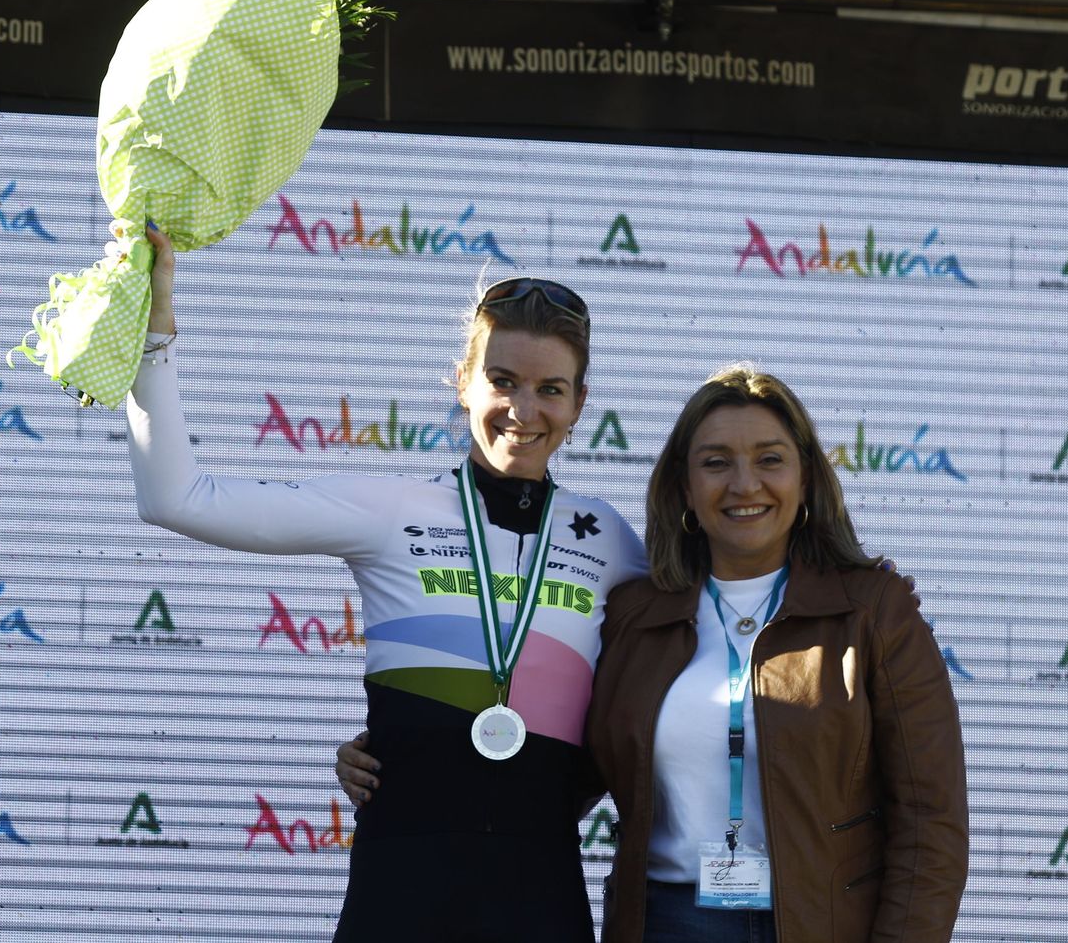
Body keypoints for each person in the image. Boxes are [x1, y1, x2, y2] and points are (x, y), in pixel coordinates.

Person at [128, 227, 647, 943]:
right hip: (402, 891)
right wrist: (154, 334)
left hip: (542, 896)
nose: (523, 411)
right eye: (501, 381)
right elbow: (177, 499)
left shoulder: (610, 539)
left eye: (549, 389)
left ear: (579, 403)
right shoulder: (393, 510)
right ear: (462, 380)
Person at [340, 364, 968, 943]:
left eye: (769, 459)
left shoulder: (873, 611)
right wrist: (411, 758)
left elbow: (930, 819)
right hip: (664, 923)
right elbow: (556, 770)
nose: (744, 484)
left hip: (821, 924)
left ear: (805, 476)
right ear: (684, 487)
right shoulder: (637, 614)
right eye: (716, 462)